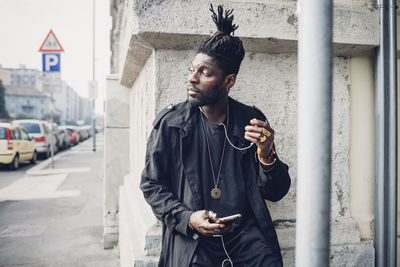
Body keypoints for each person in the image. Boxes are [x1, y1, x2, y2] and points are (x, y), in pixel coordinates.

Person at [140, 4, 291, 267]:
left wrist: (267, 155)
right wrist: (188, 218)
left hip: (246, 243)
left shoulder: (250, 121)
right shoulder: (171, 124)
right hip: (194, 245)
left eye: (204, 73)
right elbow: (152, 185)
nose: (192, 79)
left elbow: (276, 192)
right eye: (191, 70)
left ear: (228, 81)